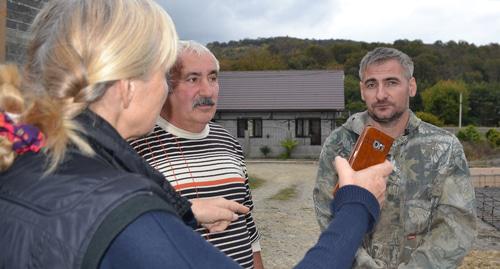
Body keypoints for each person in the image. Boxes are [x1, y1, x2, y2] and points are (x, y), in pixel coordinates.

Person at [0, 0, 394, 268]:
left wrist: (181, 212)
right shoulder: (123, 211)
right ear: (127, 84)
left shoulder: (24, 162)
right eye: (162, 72)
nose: (166, 89)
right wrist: (356, 202)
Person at [313, 47, 477, 268]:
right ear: (362, 90)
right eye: (372, 84)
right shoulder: (338, 145)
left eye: (391, 82)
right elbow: (329, 214)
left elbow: (456, 225)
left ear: (411, 86)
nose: (381, 94)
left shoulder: (444, 147)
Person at [129, 40, 263, 269]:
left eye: (212, 78)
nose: (208, 91)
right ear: (165, 85)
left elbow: (247, 220)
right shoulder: (135, 147)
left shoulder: (228, 141)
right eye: (193, 79)